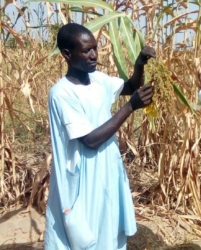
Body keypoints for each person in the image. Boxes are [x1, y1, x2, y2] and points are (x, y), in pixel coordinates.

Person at [45, 23, 155, 250]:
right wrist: (130, 107)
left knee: (110, 229)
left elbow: (132, 86)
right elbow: (90, 140)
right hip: (83, 176)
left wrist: (139, 63)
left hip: (107, 168)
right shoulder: (61, 93)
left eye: (95, 48)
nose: (94, 55)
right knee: (87, 235)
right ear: (67, 54)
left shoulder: (98, 79)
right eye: (86, 51)